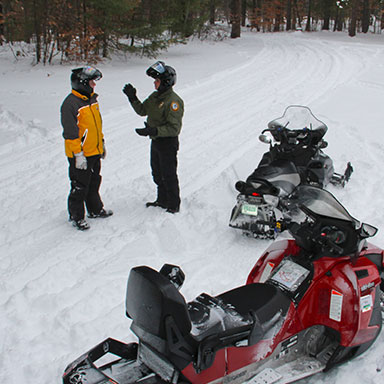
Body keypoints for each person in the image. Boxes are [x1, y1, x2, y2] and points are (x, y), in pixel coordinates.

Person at [123, 61, 184, 213]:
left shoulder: (173, 101)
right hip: (156, 141)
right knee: (157, 173)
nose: (154, 84)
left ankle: (173, 204)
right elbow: (142, 110)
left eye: (157, 81)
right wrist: (132, 98)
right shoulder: (156, 97)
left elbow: (174, 128)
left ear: (165, 82)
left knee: (168, 174)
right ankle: (162, 200)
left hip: (167, 142)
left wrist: (154, 131)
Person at [60, 66, 113, 230]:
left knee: (94, 181)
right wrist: (78, 153)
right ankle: (76, 216)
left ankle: (95, 209)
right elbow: (70, 133)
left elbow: (96, 126)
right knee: (79, 185)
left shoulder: (92, 100)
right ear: (82, 83)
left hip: (93, 151)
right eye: (91, 82)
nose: (94, 85)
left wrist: (101, 143)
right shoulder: (70, 104)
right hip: (80, 154)